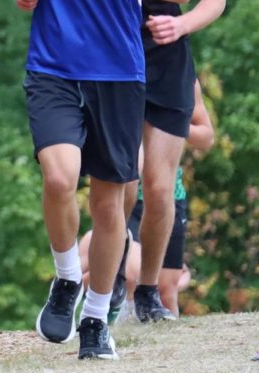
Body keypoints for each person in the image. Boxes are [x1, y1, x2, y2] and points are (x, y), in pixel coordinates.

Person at [15, 0, 192, 359]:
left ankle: (96, 318)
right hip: (54, 62)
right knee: (60, 177)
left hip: (117, 68)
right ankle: (67, 276)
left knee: (109, 203)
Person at [110, 0, 225, 321]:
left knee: (160, 188)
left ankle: (149, 291)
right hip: (114, 53)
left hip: (167, 55)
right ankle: (111, 280)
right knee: (121, 183)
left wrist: (181, 25)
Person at [81, 78, 215, 318]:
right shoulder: (116, 70)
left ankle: (168, 349)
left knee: (166, 291)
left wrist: (169, 119)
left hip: (169, 197)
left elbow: (206, 137)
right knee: (130, 272)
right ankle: (89, 302)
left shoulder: (180, 76)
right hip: (126, 196)